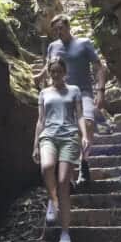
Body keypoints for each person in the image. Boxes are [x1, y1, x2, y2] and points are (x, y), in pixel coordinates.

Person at [35, 14, 105, 185]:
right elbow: (50, 65)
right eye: (55, 29)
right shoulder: (53, 46)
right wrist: (40, 76)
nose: (58, 32)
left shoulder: (83, 44)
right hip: (61, 95)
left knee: (87, 125)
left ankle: (84, 163)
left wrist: (101, 90)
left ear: (68, 27)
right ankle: (69, 174)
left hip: (83, 92)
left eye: (61, 28)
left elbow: (99, 67)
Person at [32, 57, 89, 242]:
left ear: (65, 73)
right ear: (49, 72)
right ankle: (52, 199)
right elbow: (40, 120)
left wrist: (85, 135)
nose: (55, 74)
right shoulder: (44, 93)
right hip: (48, 135)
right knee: (47, 167)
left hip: (69, 136)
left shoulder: (74, 90)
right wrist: (35, 144)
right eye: (53, 71)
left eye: (59, 71)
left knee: (64, 181)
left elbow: (79, 115)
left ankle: (65, 232)